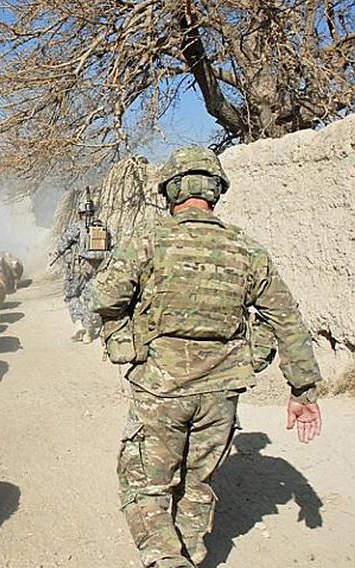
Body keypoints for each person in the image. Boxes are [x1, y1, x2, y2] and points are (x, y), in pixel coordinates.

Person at [91, 146, 323, 568]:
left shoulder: (148, 240)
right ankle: (192, 554)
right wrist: (303, 389)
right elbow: (286, 317)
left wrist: (123, 327)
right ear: (215, 191)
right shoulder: (246, 249)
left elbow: (105, 296)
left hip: (161, 389)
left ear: (173, 190)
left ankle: (166, 559)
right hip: (221, 392)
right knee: (198, 483)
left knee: (146, 484)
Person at [53, 198, 110, 342]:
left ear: (80, 213)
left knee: (71, 296)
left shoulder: (76, 228)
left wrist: (62, 254)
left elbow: (62, 245)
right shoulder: (103, 227)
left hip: (78, 269)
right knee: (88, 298)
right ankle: (89, 330)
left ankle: (79, 323)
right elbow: (112, 246)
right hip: (97, 269)